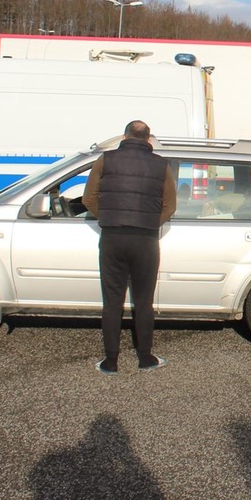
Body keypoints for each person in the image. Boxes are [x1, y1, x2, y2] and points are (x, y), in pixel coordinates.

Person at [82, 120, 177, 374]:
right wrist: (147, 223)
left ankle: (110, 362)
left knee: (112, 302)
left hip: (113, 238)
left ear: (124, 137)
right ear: (148, 140)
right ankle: (145, 358)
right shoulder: (161, 165)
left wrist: (109, 218)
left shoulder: (105, 160)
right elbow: (169, 206)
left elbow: (88, 198)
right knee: (143, 302)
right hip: (145, 240)